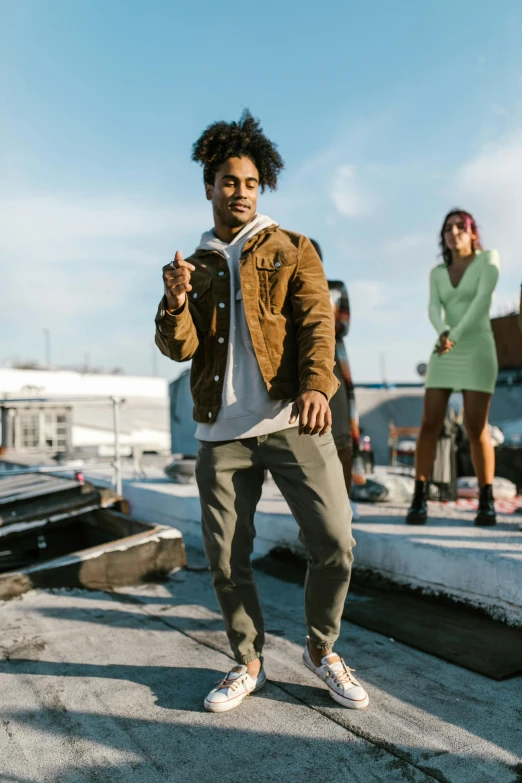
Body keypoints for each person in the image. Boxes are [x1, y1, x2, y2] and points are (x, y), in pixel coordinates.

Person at [155, 111, 369, 713]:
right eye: (229, 181)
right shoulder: (190, 269)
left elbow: (316, 325)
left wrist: (316, 388)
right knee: (226, 557)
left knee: (335, 541)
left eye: (249, 182)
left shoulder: (292, 249)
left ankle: (322, 649)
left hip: (291, 421)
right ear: (209, 186)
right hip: (221, 435)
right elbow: (179, 348)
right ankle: (247, 659)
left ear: (261, 187)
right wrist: (174, 302)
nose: (240, 192)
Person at [406, 209, 500, 526]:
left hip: (477, 350)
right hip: (445, 349)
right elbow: (433, 307)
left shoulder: (489, 261)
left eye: (461, 226)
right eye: (448, 228)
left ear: (473, 232)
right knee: (429, 423)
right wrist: (443, 334)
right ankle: (419, 498)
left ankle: (486, 501)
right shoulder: (437, 273)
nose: (454, 231)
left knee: (475, 428)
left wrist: (455, 335)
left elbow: (482, 302)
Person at [309, 240, 360, 502]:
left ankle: (346, 497)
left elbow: (343, 326)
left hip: (333, 361)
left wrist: (314, 320)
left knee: (341, 433)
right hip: (302, 365)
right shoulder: (289, 290)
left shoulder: (336, 288)